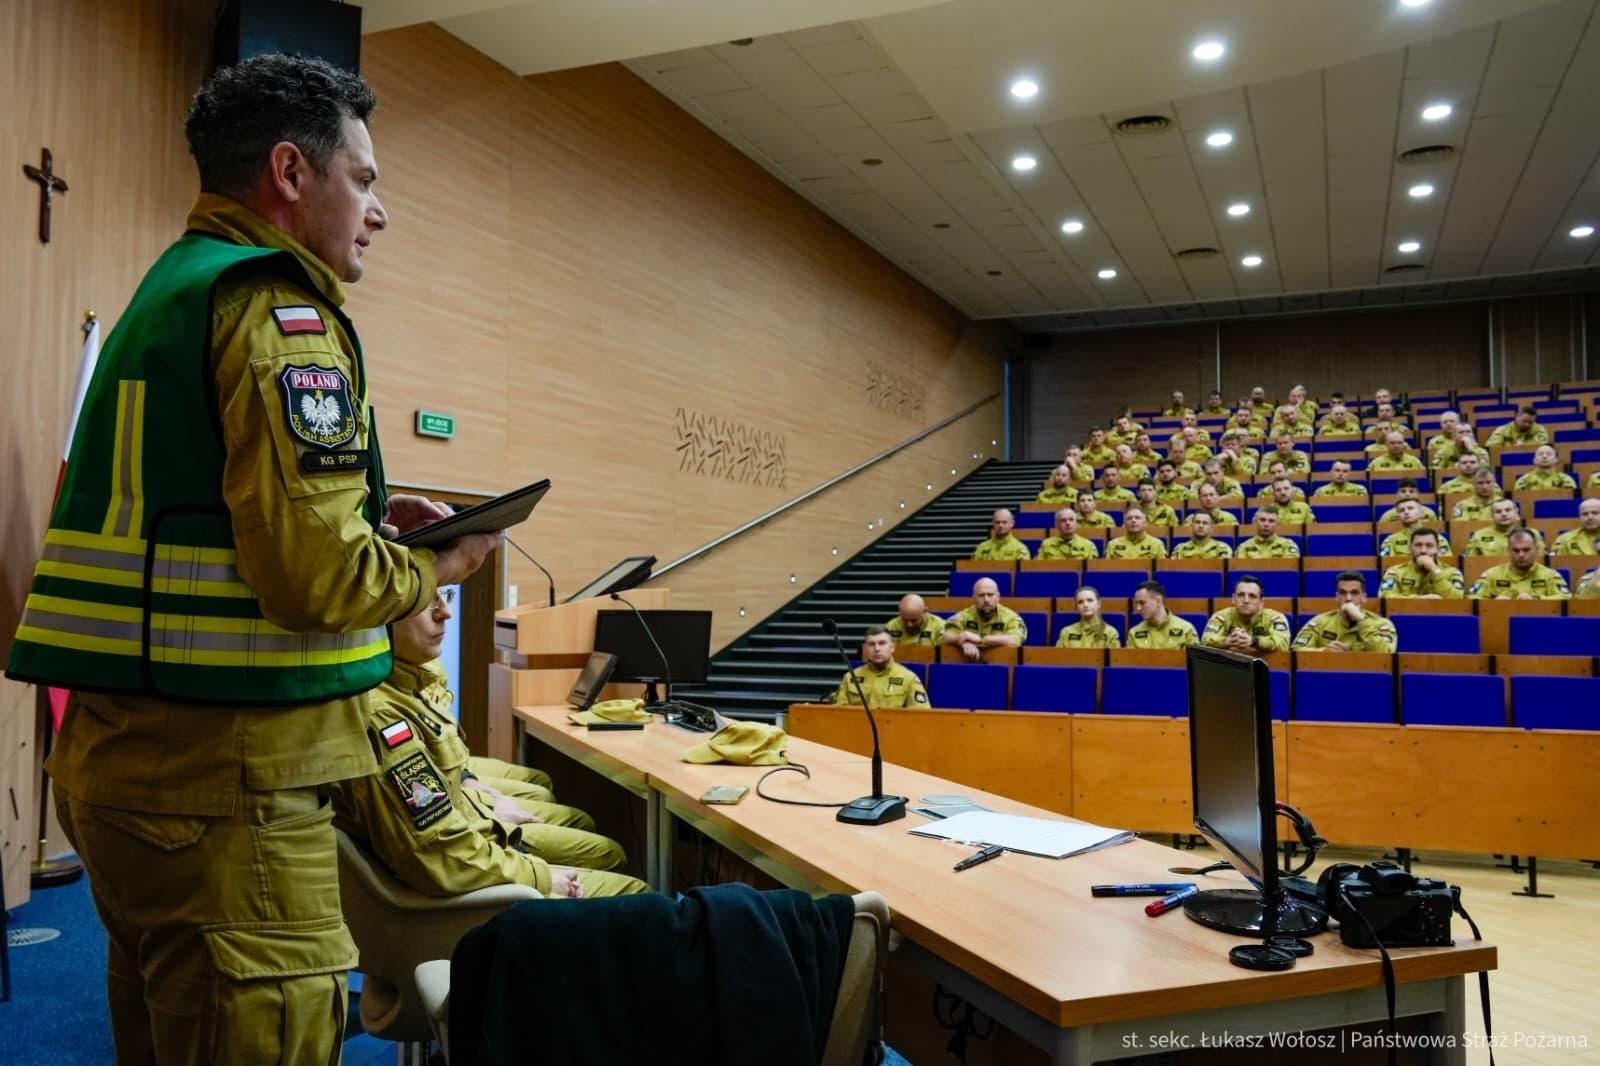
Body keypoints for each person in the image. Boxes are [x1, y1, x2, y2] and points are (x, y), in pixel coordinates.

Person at [2, 55, 503, 1064]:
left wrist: (367, 509)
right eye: (363, 179)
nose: (379, 211)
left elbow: (206, 516)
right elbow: (316, 581)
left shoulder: (174, 287)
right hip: (226, 792)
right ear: (289, 170)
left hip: (131, 761)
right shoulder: (283, 311)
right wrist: (434, 568)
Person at [330, 592, 643, 897]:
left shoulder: (405, 677)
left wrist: (485, 806)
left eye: (445, 596)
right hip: (468, 897)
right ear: (377, 617)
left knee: (596, 842)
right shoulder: (382, 712)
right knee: (635, 889)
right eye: (427, 602)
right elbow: (440, 851)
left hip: (474, 849)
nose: (445, 612)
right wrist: (540, 877)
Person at [1292, 573, 1398, 652]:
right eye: (1343, 593)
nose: (1348, 598)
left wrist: (1361, 620)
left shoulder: (1382, 625)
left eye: (1354, 593)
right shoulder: (1320, 621)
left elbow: (1386, 654)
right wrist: (1324, 651)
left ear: (1364, 598)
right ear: (1337, 597)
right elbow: (1296, 649)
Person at [831, 626, 929, 707]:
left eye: (882, 643)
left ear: (892, 648)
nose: (876, 649)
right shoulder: (850, 677)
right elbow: (839, 714)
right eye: (871, 644)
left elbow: (921, 716)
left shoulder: (909, 679)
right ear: (865, 649)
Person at [1469, 530, 1571, 599]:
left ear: (1536, 549)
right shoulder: (1491, 574)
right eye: (1516, 550)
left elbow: (1566, 598)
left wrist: (1536, 600)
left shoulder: (1550, 575)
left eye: (1526, 550)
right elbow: (1472, 597)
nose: (1521, 555)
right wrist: (1493, 602)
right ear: (1509, 550)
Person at [943, 578, 1028, 660]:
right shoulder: (965, 615)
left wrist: (981, 639)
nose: (986, 600)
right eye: (981, 595)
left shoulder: (1011, 617)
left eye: (990, 595)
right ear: (973, 598)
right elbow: (945, 636)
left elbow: (1015, 641)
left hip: (1000, 664)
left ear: (998, 597)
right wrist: (961, 641)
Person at [1202, 576, 1292, 651]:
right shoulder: (1221, 617)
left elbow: (1282, 645)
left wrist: (1254, 641)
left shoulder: (1275, 618)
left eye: (1252, 596)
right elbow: (1205, 641)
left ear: (1261, 602)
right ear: (1233, 599)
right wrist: (1227, 641)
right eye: (1241, 595)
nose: (1246, 600)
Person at [1378, 529, 1465, 598]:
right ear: (1410, 549)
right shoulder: (1395, 572)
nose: (1423, 551)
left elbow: (1456, 598)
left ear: (1438, 550)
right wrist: (1418, 599)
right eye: (1418, 545)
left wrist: (1434, 569)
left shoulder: (1453, 573)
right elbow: (1384, 596)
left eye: (1429, 545)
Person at [1126, 581, 1200, 647]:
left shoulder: (1186, 630)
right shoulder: (1133, 633)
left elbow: (1195, 661)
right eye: (1136, 603)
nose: (1138, 608)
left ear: (1158, 601)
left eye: (1142, 603)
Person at [1462, 498, 1546, 556]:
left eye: (1508, 510)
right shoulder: (1479, 536)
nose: (1504, 514)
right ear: (1492, 516)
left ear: (1516, 512)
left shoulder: (1533, 534)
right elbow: (1470, 564)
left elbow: (1542, 560)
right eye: (1498, 511)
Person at [1380, 498, 1452, 557]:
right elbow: (1387, 565)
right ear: (1398, 516)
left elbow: (1447, 565)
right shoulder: (1390, 541)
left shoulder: (1438, 539)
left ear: (1422, 513)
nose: (1406, 512)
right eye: (1402, 510)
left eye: (1410, 508)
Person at [1055, 586, 1121, 648]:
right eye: (1080, 602)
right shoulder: (1066, 632)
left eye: (1090, 600)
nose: (1085, 605)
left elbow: (1114, 658)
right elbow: (1058, 658)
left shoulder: (1110, 632)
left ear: (1099, 604)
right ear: (1076, 607)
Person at [1235, 508, 1301, 558]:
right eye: (1262, 520)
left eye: (1271, 521)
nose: (1266, 524)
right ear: (1255, 523)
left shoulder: (1288, 544)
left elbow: (1288, 570)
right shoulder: (1243, 547)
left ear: (1277, 525)